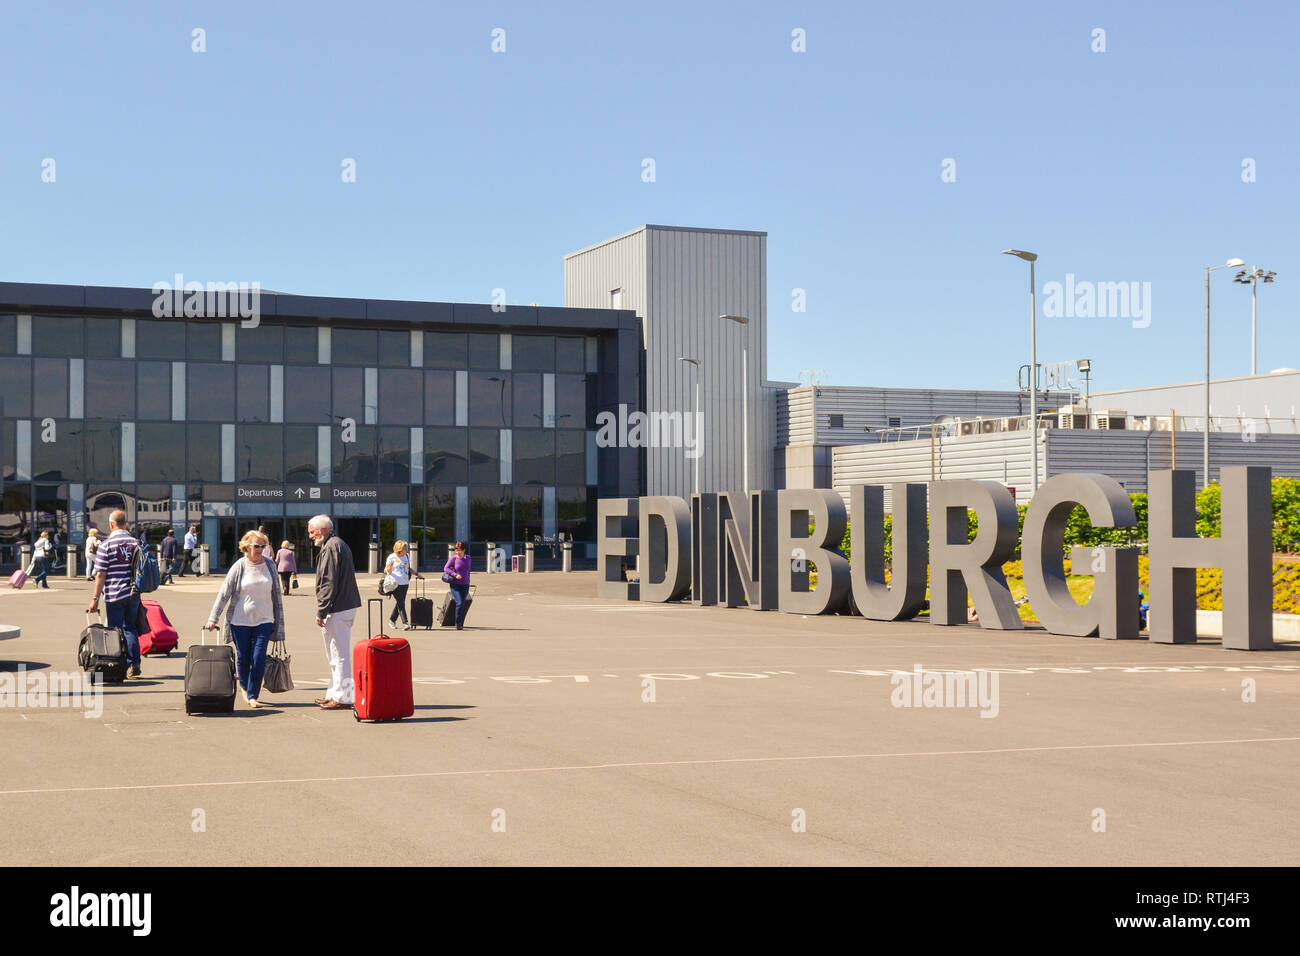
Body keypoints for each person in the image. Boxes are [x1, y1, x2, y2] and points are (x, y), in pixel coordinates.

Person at [204, 530, 286, 708]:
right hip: (240, 620)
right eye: (256, 546)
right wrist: (213, 618)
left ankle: (253, 694)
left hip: (265, 620)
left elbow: (277, 595)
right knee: (243, 657)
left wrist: (279, 621)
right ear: (246, 546)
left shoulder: (270, 565)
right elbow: (224, 593)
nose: (260, 549)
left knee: (258, 658)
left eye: (262, 546)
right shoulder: (240, 566)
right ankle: (243, 686)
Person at [308, 515, 361, 710]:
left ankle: (344, 697)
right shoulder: (337, 544)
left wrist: (321, 610)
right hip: (342, 607)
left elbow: (329, 582)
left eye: (312, 532)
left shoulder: (331, 547)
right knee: (335, 654)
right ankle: (334, 693)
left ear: (323, 530)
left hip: (337, 608)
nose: (311, 536)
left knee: (339, 655)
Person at [87, 510, 143, 679]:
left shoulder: (106, 545)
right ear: (125, 523)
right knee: (130, 628)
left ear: (111, 525)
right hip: (133, 593)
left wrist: (95, 599)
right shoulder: (136, 543)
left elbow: (100, 574)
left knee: (114, 632)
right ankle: (135, 663)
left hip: (114, 594)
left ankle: (119, 665)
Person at [384, 540, 423, 630]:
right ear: (399, 550)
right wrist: (389, 567)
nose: (407, 550)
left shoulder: (406, 556)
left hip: (405, 583)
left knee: (399, 603)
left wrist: (417, 574)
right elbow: (386, 571)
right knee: (401, 602)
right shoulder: (392, 557)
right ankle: (405, 623)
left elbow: (408, 568)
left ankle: (391, 620)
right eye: (405, 549)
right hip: (395, 583)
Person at [443, 540, 471, 630]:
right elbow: (446, 568)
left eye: (460, 550)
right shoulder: (454, 558)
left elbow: (468, 571)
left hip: (465, 585)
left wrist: (468, 580)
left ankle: (460, 622)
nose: (458, 552)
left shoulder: (468, 558)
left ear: (464, 550)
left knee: (462, 604)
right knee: (459, 602)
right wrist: (455, 575)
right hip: (455, 585)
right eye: (456, 550)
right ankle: (457, 623)